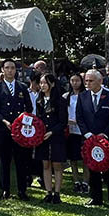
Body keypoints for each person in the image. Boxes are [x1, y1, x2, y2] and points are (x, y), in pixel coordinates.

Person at [75, 69, 109, 209]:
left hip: (107, 139)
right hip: (89, 139)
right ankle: (96, 198)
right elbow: (79, 117)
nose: (87, 84)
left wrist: (105, 134)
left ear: (100, 81)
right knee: (92, 168)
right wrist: (87, 134)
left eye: (91, 81)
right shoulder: (82, 96)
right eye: (86, 81)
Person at [0, 59, 33, 201]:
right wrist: (3, 121)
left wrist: (23, 119)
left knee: (21, 161)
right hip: (3, 130)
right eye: (7, 68)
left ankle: (22, 190)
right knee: (5, 161)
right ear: (3, 70)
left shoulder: (22, 86)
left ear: (16, 70)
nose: (10, 70)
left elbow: (29, 108)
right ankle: (5, 189)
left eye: (12, 68)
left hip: (20, 131)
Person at [35, 73, 66, 204]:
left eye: (45, 83)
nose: (42, 86)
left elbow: (63, 121)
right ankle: (48, 191)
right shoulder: (39, 100)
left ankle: (57, 192)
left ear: (52, 84)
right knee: (45, 164)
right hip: (43, 137)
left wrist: (52, 132)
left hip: (56, 136)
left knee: (57, 165)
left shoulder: (60, 100)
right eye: (41, 83)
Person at [64, 73, 88, 194]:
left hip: (83, 131)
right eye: (72, 80)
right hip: (71, 131)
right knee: (73, 158)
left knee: (85, 158)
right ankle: (76, 181)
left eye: (77, 80)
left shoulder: (85, 95)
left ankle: (85, 182)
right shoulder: (66, 96)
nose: (74, 83)